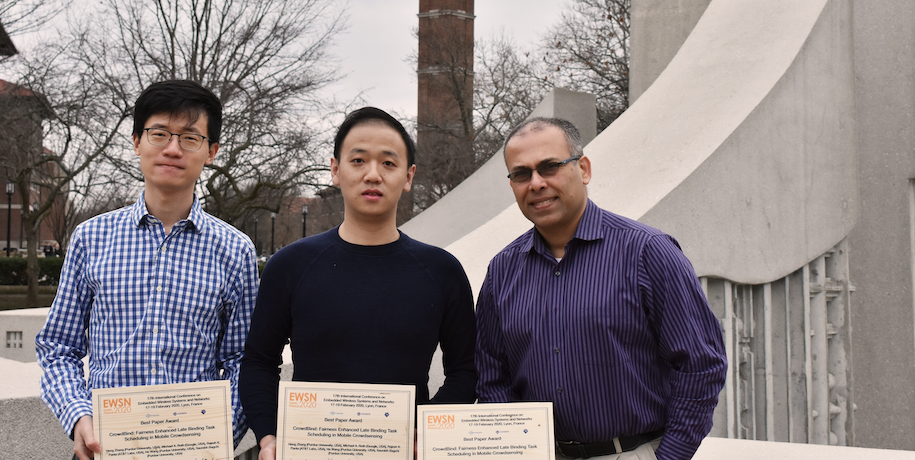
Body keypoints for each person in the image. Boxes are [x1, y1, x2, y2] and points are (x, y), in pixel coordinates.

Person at [475, 117, 727, 460]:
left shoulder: (647, 252)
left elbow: (700, 364)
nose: (535, 183)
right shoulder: (503, 270)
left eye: (550, 166)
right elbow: (492, 375)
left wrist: (670, 456)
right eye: (521, 174)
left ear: (584, 169)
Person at [36, 80, 259, 460]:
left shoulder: (235, 250)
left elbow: (243, 359)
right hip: (104, 447)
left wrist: (220, 432)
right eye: (159, 134)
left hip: (197, 448)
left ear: (212, 151)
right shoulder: (92, 238)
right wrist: (78, 416)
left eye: (190, 138)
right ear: (137, 141)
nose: (172, 149)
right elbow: (59, 347)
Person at [240, 106, 477, 460]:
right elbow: (259, 360)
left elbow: (466, 370)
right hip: (309, 451)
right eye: (358, 161)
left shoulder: (441, 270)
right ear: (336, 170)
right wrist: (269, 433)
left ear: (409, 176)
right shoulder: (290, 265)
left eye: (388, 163)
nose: (372, 174)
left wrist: (425, 432)